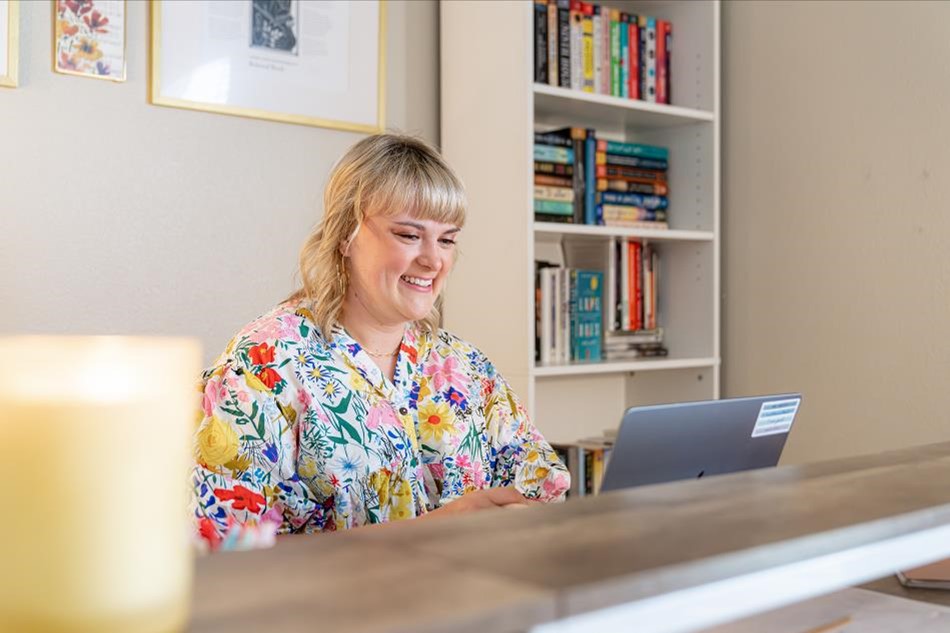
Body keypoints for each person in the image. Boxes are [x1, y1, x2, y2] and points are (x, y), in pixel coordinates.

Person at [192, 134, 569, 550]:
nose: (434, 260)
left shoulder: (465, 365)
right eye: (409, 235)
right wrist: (432, 530)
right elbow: (224, 548)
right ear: (345, 236)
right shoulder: (265, 363)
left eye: (447, 239)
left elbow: (542, 484)